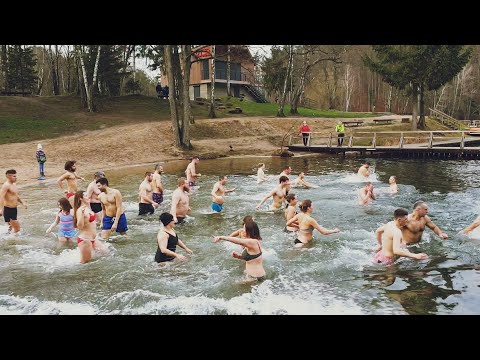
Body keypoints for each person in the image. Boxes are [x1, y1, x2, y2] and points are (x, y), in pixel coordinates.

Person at [73, 190, 97, 264]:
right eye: (86, 196)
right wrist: (82, 216)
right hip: (85, 240)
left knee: (107, 254)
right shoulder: (80, 210)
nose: (88, 197)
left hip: (93, 239)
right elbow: (79, 226)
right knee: (84, 263)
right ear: (81, 198)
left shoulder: (87, 207)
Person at [0, 169, 27, 234]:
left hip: (14, 209)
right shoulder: (6, 186)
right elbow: (1, 197)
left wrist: (22, 202)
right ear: (8, 177)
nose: (16, 177)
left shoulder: (14, 184)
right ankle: (15, 242)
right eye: (14, 176)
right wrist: (1, 209)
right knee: (17, 229)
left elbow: (15, 196)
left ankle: (7, 239)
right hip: (8, 209)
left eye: (15, 176)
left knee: (11, 227)